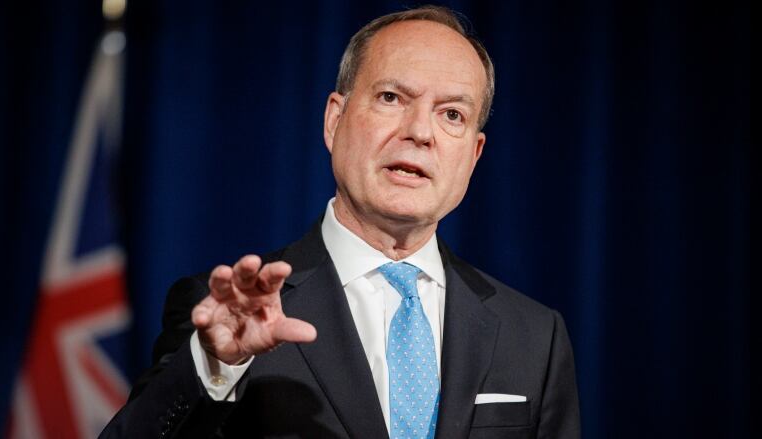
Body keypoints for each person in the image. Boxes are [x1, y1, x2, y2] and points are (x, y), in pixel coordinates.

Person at [102, 5, 580, 438]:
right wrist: (215, 365)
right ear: (335, 120)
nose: (419, 132)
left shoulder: (534, 334)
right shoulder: (227, 314)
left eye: (451, 114)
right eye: (392, 97)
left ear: (473, 155)